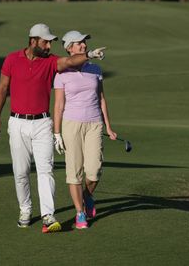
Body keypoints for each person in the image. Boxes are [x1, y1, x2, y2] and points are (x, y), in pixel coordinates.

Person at [0, 23, 106, 233]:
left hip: (43, 123)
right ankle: (25, 209)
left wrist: (89, 54)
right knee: (21, 172)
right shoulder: (11, 59)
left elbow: (70, 60)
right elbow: (2, 88)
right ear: (33, 41)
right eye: (45, 42)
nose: (48, 46)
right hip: (17, 122)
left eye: (50, 42)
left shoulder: (51, 61)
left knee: (46, 171)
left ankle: (48, 215)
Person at [53, 30, 117, 229]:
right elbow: (58, 106)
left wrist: (108, 125)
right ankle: (80, 213)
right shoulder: (61, 73)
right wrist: (57, 133)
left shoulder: (95, 69)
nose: (83, 45)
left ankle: (88, 196)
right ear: (69, 48)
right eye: (78, 43)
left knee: (94, 169)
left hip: (94, 123)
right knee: (74, 172)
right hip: (71, 124)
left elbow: (101, 99)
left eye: (84, 42)